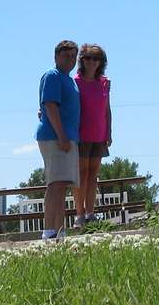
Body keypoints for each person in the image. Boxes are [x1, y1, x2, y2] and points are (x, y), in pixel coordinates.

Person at [36, 40, 80, 240]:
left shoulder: (68, 79)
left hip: (68, 136)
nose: (69, 60)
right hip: (56, 137)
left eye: (73, 56)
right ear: (56, 57)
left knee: (62, 185)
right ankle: (48, 231)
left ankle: (60, 231)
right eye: (65, 55)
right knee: (55, 184)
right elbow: (50, 105)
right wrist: (61, 135)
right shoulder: (52, 76)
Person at [73, 43, 112, 226]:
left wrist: (109, 132)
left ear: (100, 62)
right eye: (88, 58)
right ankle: (79, 214)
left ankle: (90, 212)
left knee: (93, 175)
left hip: (99, 134)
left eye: (95, 58)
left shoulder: (105, 82)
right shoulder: (76, 81)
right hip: (81, 134)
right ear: (82, 60)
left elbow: (107, 110)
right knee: (81, 174)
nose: (92, 62)